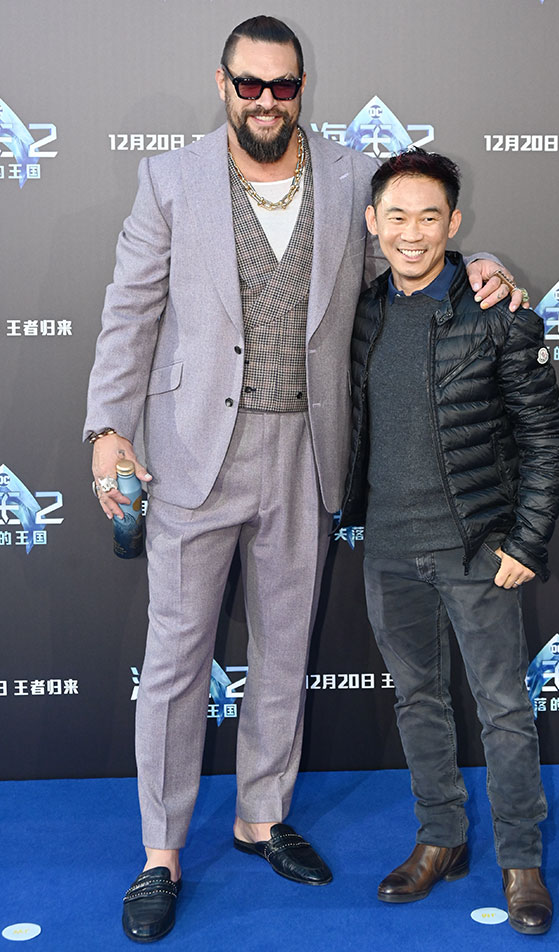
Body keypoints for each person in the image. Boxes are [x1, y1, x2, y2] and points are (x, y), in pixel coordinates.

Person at [84, 16, 526, 944]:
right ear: (223, 85)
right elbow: (129, 310)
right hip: (191, 452)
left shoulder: (348, 176)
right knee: (174, 660)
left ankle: (259, 818)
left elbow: (407, 258)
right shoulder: (169, 179)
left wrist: (479, 264)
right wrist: (107, 430)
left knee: (283, 649)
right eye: (250, 85)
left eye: (284, 86)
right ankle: (160, 852)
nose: (267, 102)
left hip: (309, 451)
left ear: (301, 88)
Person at [339, 149, 559, 935]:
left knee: (504, 708)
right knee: (419, 701)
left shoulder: (497, 313)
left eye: (429, 217)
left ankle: (520, 859)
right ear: (372, 224)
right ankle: (441, 839)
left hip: (478, 551)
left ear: (455, 224)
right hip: (388, 552)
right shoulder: (360, 310)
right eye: (396, 217)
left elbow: (544, 435)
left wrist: (527, 542)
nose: (411, 233)